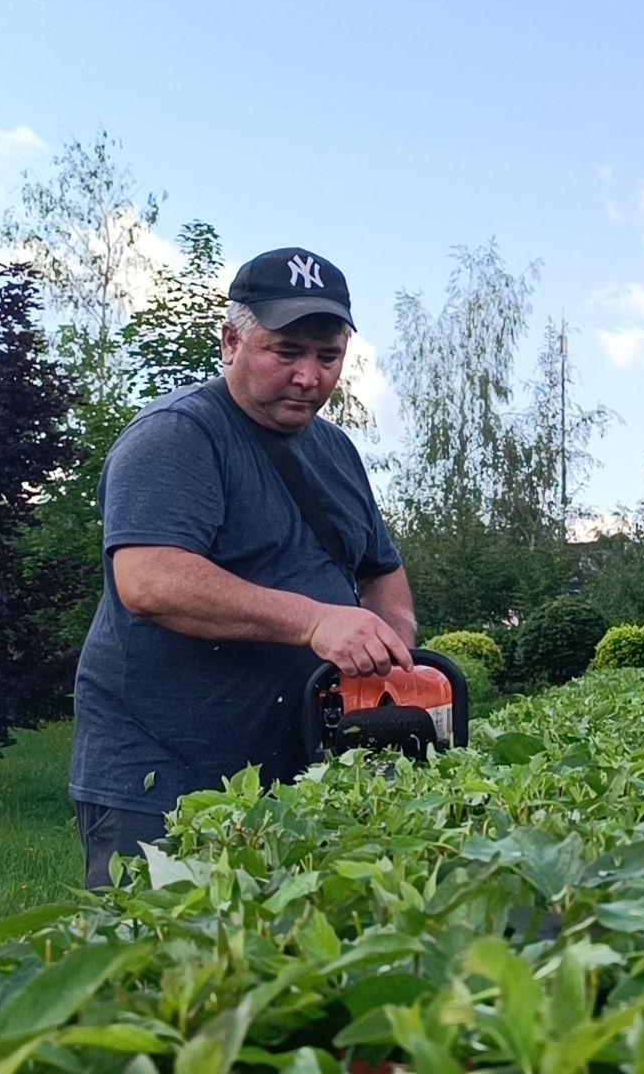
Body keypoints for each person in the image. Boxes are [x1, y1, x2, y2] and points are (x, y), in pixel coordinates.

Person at [69, 247, 417, 887]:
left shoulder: (337, 451)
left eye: (327, 356)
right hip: (165, 781)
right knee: (161, 975)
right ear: (231, 343)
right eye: (286, 352)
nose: (309, 376)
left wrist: (392, 645)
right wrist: (315, 622)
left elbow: (380, 569)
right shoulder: (177, 435)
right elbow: (150, 581)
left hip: (303, 777)